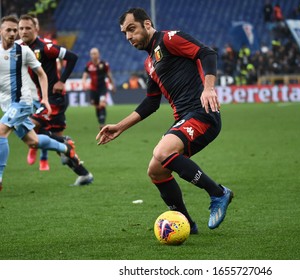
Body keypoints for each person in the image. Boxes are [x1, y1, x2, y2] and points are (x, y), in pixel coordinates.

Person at [96, 8, 234, 232]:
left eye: (132, 29)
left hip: (202, 112)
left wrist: (209, 89)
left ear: (147, 24)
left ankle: (218, 193)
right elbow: (151, 103)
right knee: (156, 170)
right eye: (124, 33)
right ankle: (186, 223)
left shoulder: (169, 39)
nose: (129, 37)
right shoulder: (150, 63)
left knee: (161, 152)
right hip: (184, 118)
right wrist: (119, 127)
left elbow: (207, 53)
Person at [0, 15, 77, 191]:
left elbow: (42, 74)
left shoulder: (25, 51)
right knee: (33, 141)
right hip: (7, 105)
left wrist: (44, 98)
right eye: (11, 29)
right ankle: (65, 147)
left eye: (15, 29)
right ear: (1, 31)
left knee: (1, 131)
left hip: (22, 102)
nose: (14, 33)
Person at [18, 14, 93, 186]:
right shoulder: (20, 48)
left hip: (54, 99)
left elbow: (72, 57)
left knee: (30, 127)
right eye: (21, 28)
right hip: (45, 98)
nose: (24, 31)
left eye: (28, 28)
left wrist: (62, 81)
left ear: (35, 29)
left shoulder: (45, 47)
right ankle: (84, 174)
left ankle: (66, 143)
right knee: (59, 148)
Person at [81, 47, 116, 130]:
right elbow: (85, 76)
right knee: (96, 106)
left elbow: (109, 75)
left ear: (99, 54)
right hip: (93, 89)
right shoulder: (89, 65)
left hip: (102, 88)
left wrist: (112, 85)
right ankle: (100, 120)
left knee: (102, 104)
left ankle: (102, 123)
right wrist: (84, 83)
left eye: (95, 53)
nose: (93, 55)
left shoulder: (104, 64)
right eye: (92, 54)